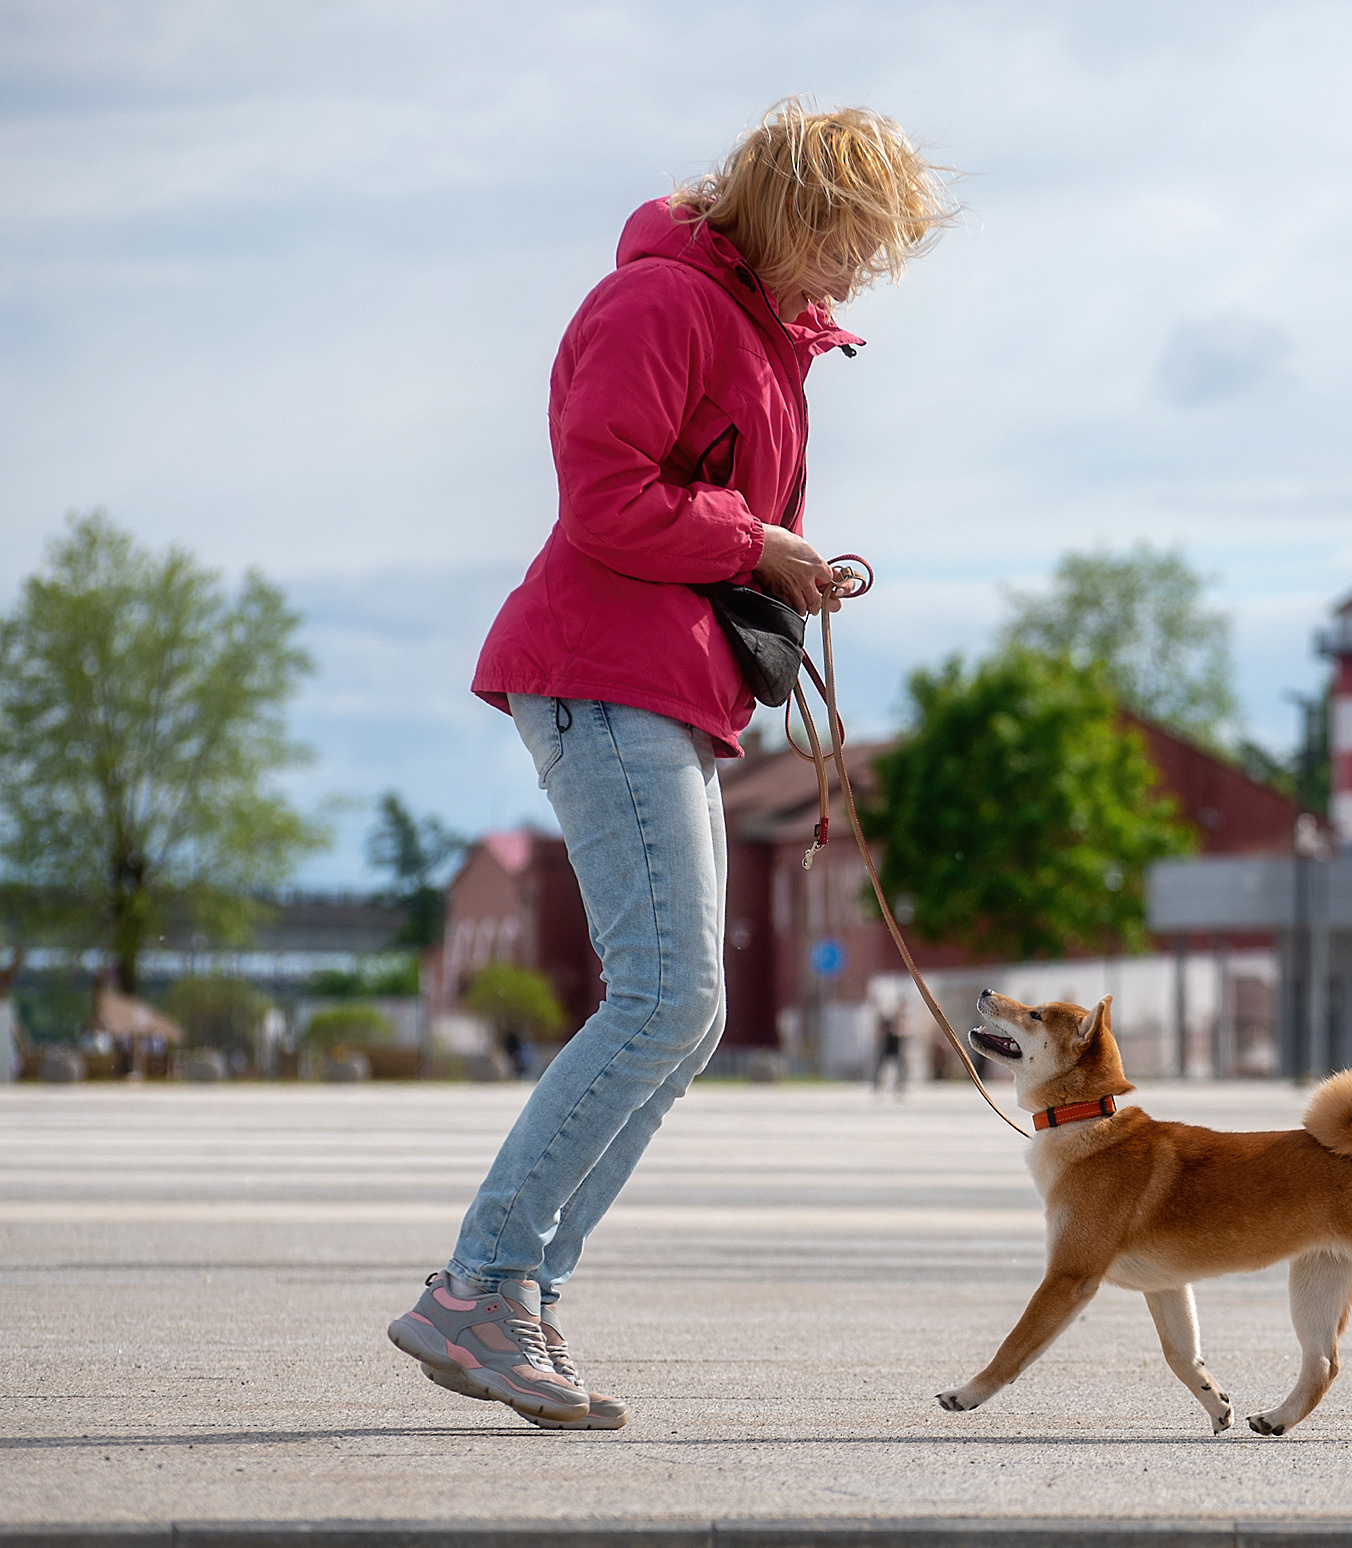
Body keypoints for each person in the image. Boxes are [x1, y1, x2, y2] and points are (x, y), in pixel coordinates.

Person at [386, 101, 952, 1431]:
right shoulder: (661, 303)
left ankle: (518, 1290)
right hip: (603, 672)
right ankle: (484, 1286)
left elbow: (696, 504)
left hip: (664, 687)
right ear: (793, 213)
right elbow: (606, 499)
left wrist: (774, 557)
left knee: (685, 1013)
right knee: (665, 997)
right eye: (850, 242)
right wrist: (759, 544)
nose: (859, 274)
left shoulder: (759, 331)